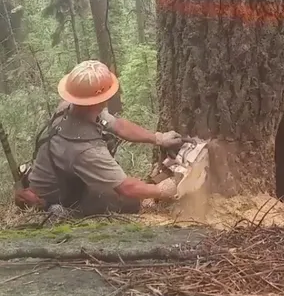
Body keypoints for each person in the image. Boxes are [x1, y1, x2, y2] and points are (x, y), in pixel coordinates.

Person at [17, 60, 189, 216]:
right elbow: (126, 188)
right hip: (60, 196)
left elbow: (119, 126)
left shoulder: (71, 107)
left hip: (63, 180)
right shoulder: (85, 150)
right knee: (129, 202)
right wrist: (161, 190)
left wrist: (158, 138)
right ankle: (61, 211)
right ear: (102, 100)